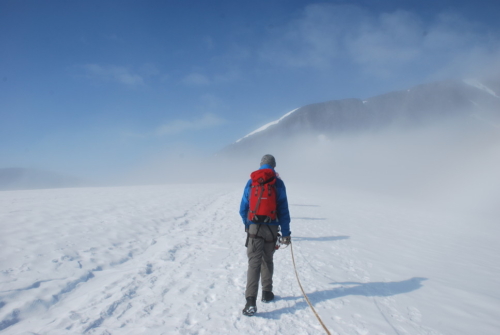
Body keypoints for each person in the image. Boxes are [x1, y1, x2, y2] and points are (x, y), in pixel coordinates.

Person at [239, 154, 291, 316]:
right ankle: (267, 293)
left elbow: (243, 208)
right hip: (272, 228)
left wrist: (249, 225)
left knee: (254, 263)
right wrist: (286, 233)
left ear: (261, 165)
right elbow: (283, 211)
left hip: (254, 228)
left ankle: (250, 302)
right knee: (267, 260)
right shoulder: (278, 183)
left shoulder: (252, 181)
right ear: (274, 166)